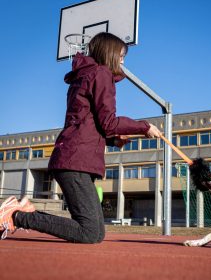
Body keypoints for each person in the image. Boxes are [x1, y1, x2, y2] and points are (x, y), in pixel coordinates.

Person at [0, 32, 161, 243]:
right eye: (121, 55)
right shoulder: (101, 74)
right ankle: (17, 217)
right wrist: (144, 127)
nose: (122, 60)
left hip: (75, 158)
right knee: (90, 232)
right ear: (109, 53)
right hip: (75, 162)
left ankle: (23, 213)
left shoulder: (86, 76)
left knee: (95, 232)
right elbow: (108, 122)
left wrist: (112, 140)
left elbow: (87, 123)